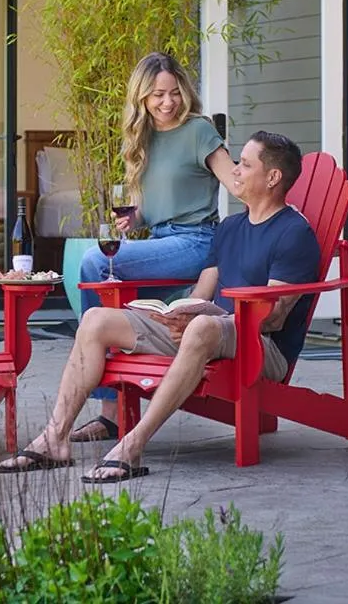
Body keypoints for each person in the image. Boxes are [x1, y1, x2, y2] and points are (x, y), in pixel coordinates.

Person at [0, 132, 321, 482]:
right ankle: (55, 439)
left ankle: (133, 444)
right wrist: (178, 312)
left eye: (245, 164)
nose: (236, 172)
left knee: (202, 327)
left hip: (261, 348)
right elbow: (204, 290)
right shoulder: (230, 228)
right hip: (214, 331)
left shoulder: (293, 233)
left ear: (273, 177)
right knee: (95, 320)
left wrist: (207, 318)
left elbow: (273, 316)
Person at [70, 51, 236, 444]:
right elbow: (158, 206)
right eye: (158, 95)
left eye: (174, 93)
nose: (167, 102)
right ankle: (115, 403)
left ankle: (109, 408)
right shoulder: (143, 136)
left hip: (197, 242)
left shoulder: (198, 131)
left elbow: (236, 183)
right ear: (142, 98)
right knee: (106, 285)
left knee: (96, 263)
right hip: (163, 240)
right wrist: (136, 219)